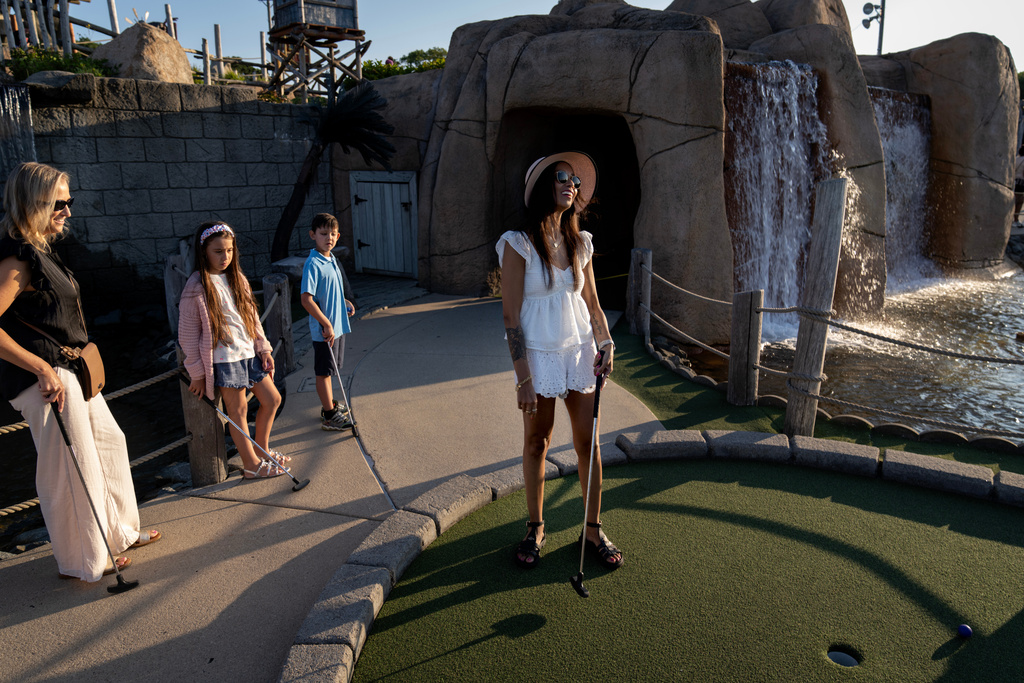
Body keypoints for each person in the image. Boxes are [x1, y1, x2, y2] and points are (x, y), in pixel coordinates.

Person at [0, 161, 160, 582]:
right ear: (33, 203)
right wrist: (40, 367)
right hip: (46, 378)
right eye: (59, 203)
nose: (68, 211)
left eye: (69, 201)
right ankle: (84, 560)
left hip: (70, 370)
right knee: (72, 467)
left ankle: (119, 534)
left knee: (109, 445)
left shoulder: (40, 249)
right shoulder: (17, 256)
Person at [497, 151, 622, 570]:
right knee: (538, 441)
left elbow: (593, 304)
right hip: (538, 357)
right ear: (541, 187)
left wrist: (605, 342)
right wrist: (523, 378)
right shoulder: (517, 243)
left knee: (589, 442)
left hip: (579, 352)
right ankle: (535, 526)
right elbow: (510, 316)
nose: (571, 184)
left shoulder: (580, 241)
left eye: (575, 181)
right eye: (562, 177)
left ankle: (592, 529)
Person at [178, 221, 287, 479]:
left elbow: (252, 318)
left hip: (248, 353)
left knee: (272, 399)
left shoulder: (237, 278)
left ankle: (261, 450)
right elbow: (188, 335)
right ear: (204, 252)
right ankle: (250, 465)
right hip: (224, 358)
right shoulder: (196, 286)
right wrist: (197, 373)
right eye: (218, 251)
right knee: (238, 412)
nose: (225, 257)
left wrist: (264, 349)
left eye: (229, 250)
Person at [300, 213, 356, 431]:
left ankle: (329, 404)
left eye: (332, 234)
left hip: (337, 327)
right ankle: (329, 415)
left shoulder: (331, 258)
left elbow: (331, 290)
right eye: (323, 233)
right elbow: (306, 299)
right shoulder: (313, 263)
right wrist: (326, 323)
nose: (329, 238)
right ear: (313, 235)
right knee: (323, 372)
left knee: (333, 370)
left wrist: (344, 302)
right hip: (325, 330)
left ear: (338, 236)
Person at [1014, 145, 1023, 225]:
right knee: (1019, 201)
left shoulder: (1016, 159)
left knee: (1014, 200)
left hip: (1015, 181)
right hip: (1021, 182)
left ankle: (1012, 218)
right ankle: (1015, 219)